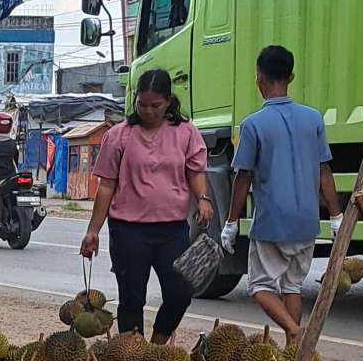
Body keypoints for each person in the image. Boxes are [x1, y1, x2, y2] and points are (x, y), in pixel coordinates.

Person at [221, 45, 343, 343]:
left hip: (272, 222)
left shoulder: (252, 125)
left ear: (258, 78)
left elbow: (243, 176)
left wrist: (231, 223)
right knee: (292, 286)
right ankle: (292, 352)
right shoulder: (313, 118)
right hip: (306, 221)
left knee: (260, 286)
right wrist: (336, 215)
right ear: (291, 76)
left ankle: (294, 333)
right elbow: (324, 170)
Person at [80, 68, 210, 344]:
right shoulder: (119, 135)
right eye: (142, 104)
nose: (148, 111)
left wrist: (203, 199)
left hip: (172, 230)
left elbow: (195, 171)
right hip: (128, 231)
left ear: (168, 102)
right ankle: (130, 352)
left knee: (180, 293)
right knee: (131, 297)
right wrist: (93, 231)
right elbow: (106, 186)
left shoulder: (186, 133)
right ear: (135, 99)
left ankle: (157, 344)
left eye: (156, 106)